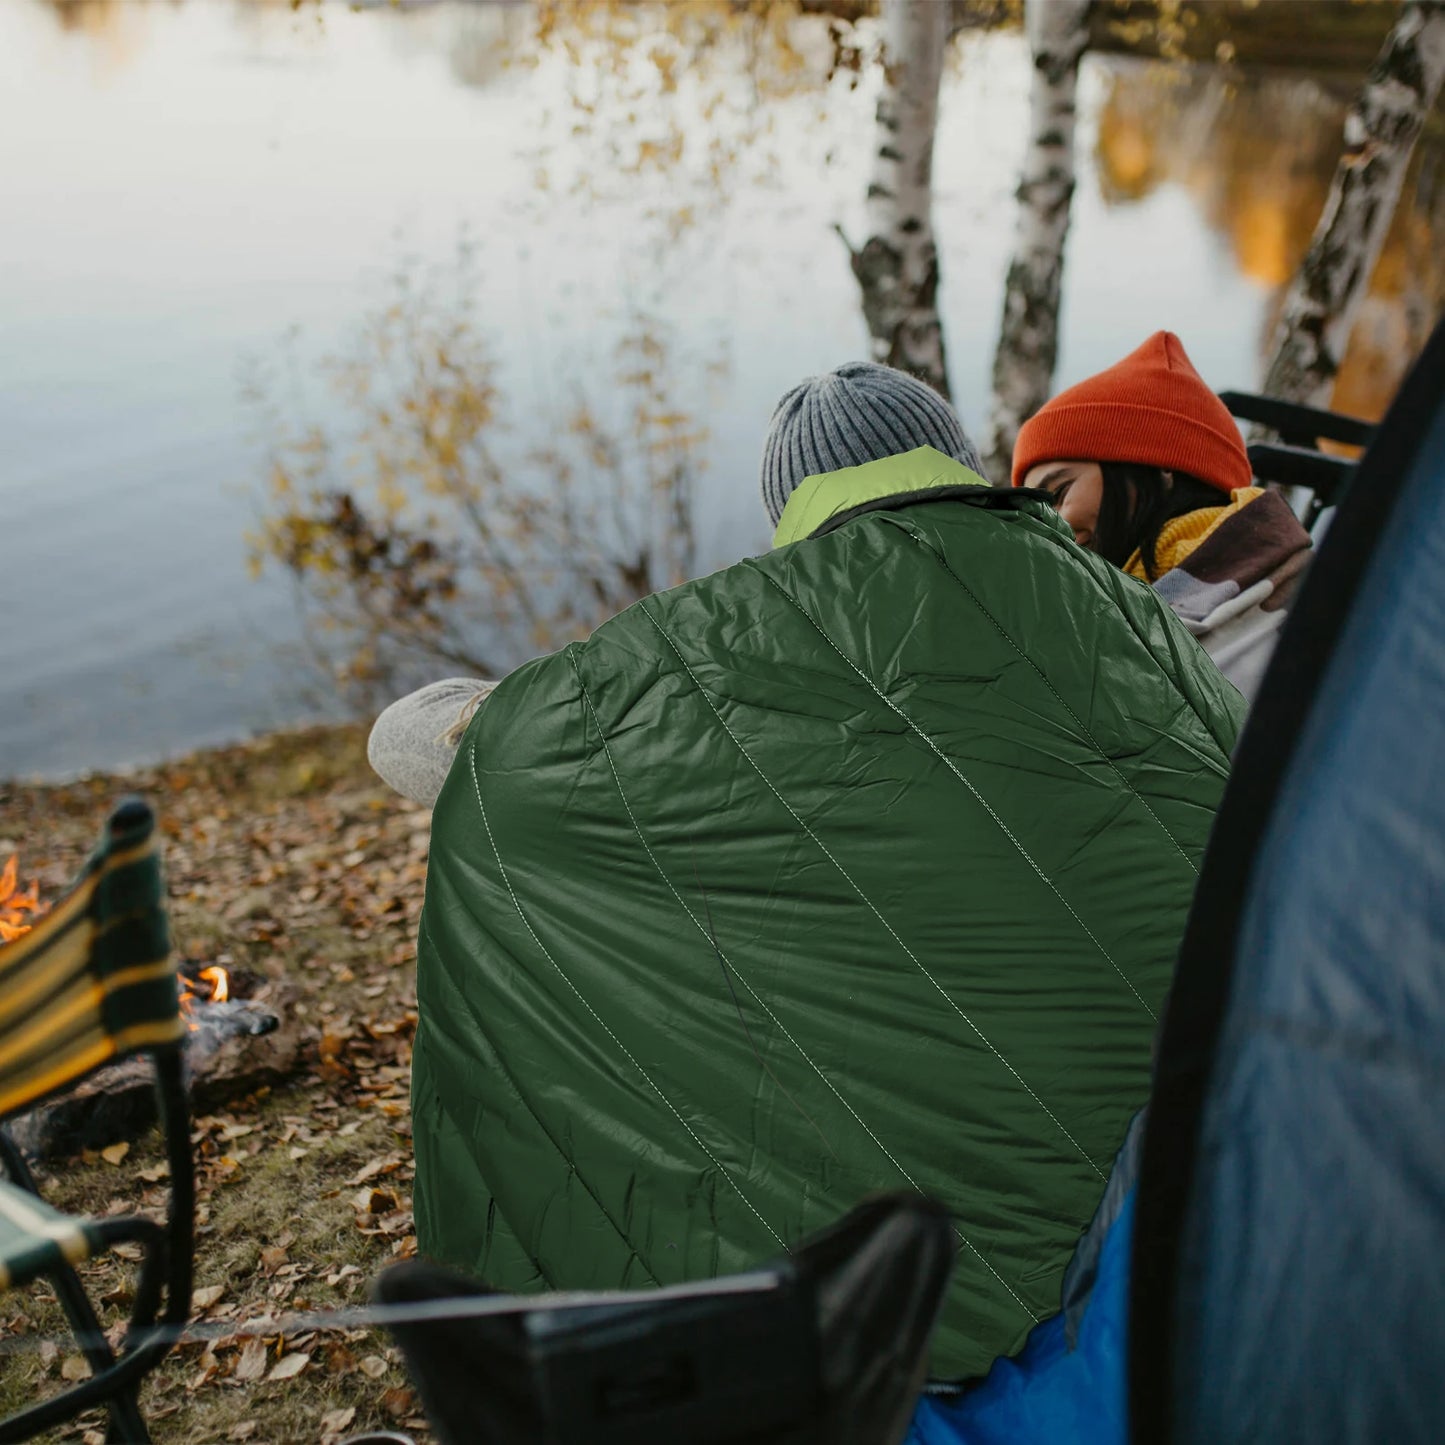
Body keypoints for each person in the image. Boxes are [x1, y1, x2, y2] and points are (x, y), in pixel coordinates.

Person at [401, 361, 1243, 1381]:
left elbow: (458, 750)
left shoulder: (737, 656)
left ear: (792, 512)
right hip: (1221, 1142)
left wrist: (483, 733)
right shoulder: (1128, 608)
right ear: (954, 461)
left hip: (1006, 1285)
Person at [1012, 331, 1313, 702]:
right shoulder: (1096, 632)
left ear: (1159, 469)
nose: (1047, 530)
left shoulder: (1317, 601)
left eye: (1059, 494)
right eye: (1034, 515)